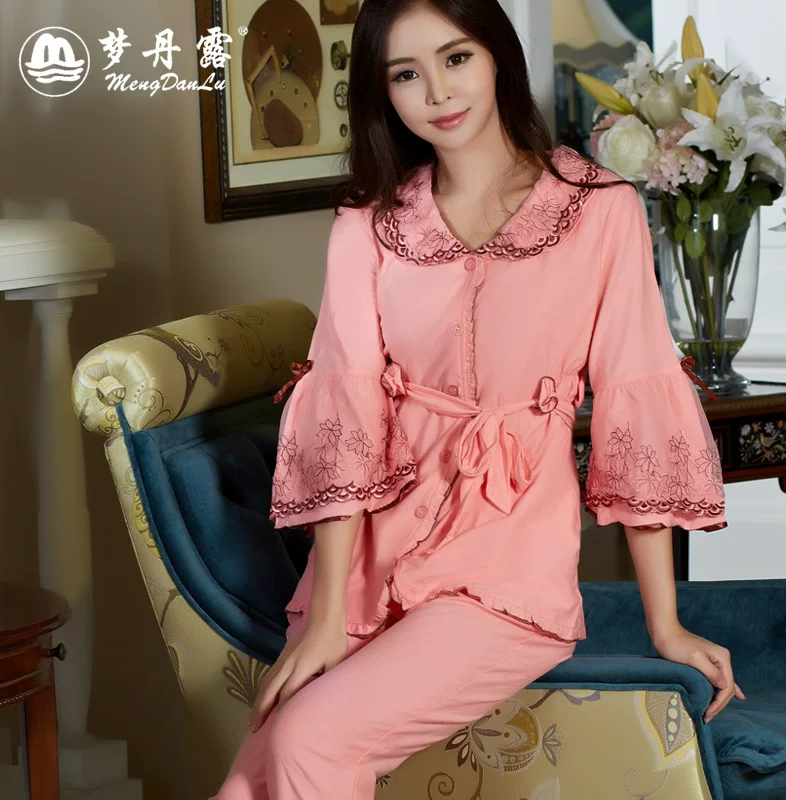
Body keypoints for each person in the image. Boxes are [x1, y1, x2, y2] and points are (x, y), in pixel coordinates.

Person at [212, 1, 745, 797]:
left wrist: (664, 623)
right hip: (368, 568)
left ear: (497, 57)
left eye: (456, 58)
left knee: (306, 739)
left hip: (506, 574)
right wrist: (324, 618)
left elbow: (636, 404)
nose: (437, 91)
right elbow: (346, 414)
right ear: (382, 92)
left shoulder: (600, 210)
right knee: (259, 773)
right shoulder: (368, 224)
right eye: (405, 74)